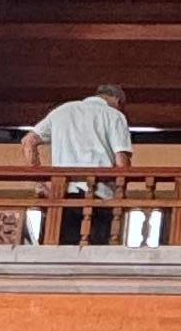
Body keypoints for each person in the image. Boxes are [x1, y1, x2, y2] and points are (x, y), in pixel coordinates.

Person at [23, 83, 133, 242]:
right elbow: (121, 160)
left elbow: (28, 141)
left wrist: (40, 181)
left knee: (60, 246)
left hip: (61, 194)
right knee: (95, 250)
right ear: (118, 101)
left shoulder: (62, 111)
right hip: (98, 195)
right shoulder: (113, 115)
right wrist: (121, 192)